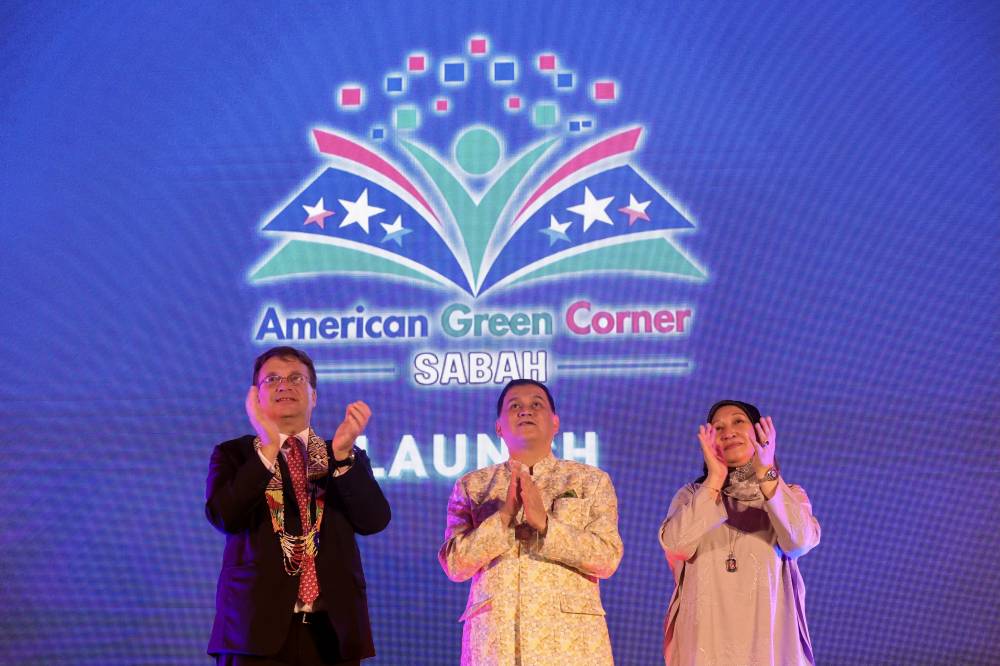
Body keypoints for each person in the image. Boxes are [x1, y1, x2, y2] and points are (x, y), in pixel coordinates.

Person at [206, 346, 391, 665]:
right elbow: (225, 516)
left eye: (296, 378)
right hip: (254, 633)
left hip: (332, 634)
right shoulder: (235, 454)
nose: (284, 385)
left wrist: (344, 455)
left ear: (314, 395)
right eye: (272, 379)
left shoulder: (339, 453)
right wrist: (267, 447)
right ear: (256, 397)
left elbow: (374, 520)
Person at [439, 379, 623, 666]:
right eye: (515, 406)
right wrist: (502, 518)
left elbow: (608, 557)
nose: (526, 410)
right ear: (498, 426)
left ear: (555, 423)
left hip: (572, 644)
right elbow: (454, 565)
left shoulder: (590, 481)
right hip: (495, 643)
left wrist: (547, 526)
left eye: (537, 404)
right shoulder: (473, 486)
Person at [658, 400, 820, 665]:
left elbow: (800, 541)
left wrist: (765, 473)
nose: (728, 431)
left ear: (758, 431)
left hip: (768, 642)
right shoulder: (691, 497)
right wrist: (714, 479)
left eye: (738, 421)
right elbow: (675, 544)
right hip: (706, 642)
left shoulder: (787, 495)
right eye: (718, 427)